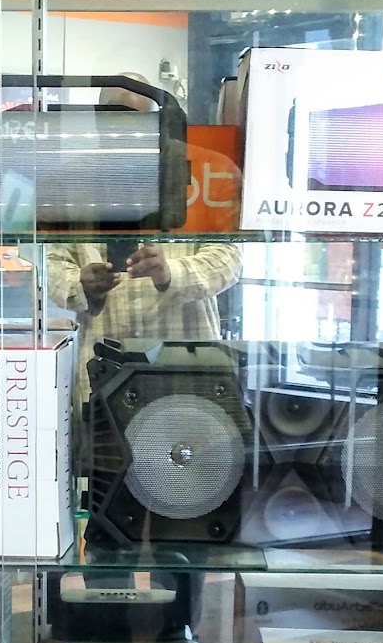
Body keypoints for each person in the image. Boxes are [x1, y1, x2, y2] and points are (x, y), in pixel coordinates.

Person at [45, 77, 244, 406]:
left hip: (187, 368)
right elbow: (49, 266)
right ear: (97, 119)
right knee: (105, 440)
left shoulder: (202, 174)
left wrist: (171, 273)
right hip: (105, 372)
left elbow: (229, 260)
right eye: (115, 117)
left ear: (158, 120)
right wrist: (79, 284)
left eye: (139, 119)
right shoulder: (70, 182)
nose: (128, 129)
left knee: (197, 436)